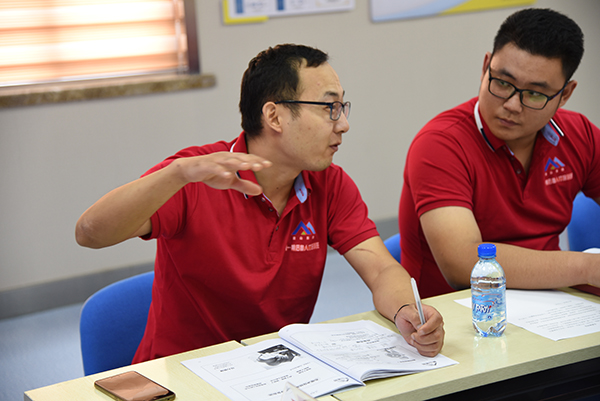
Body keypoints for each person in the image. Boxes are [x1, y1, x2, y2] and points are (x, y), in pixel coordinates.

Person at [76, 44, 444, 363]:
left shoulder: (329, 184)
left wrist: (407, 311)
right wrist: (176, 174)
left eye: (342, 107)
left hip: (273, 369)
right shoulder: (195, 175)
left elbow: (380, 269)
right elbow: (89, 233)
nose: (343, 124)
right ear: (274, 116)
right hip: (182, 375)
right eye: (329, 108)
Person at [399, 8, 600, 299]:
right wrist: (588, 267)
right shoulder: (440, 143)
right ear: (485, 68)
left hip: (552, 304)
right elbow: (463, 263)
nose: (512, 105)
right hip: (459, 312)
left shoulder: (579, 134)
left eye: (534, 94)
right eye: (503, 83)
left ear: (565, 95)